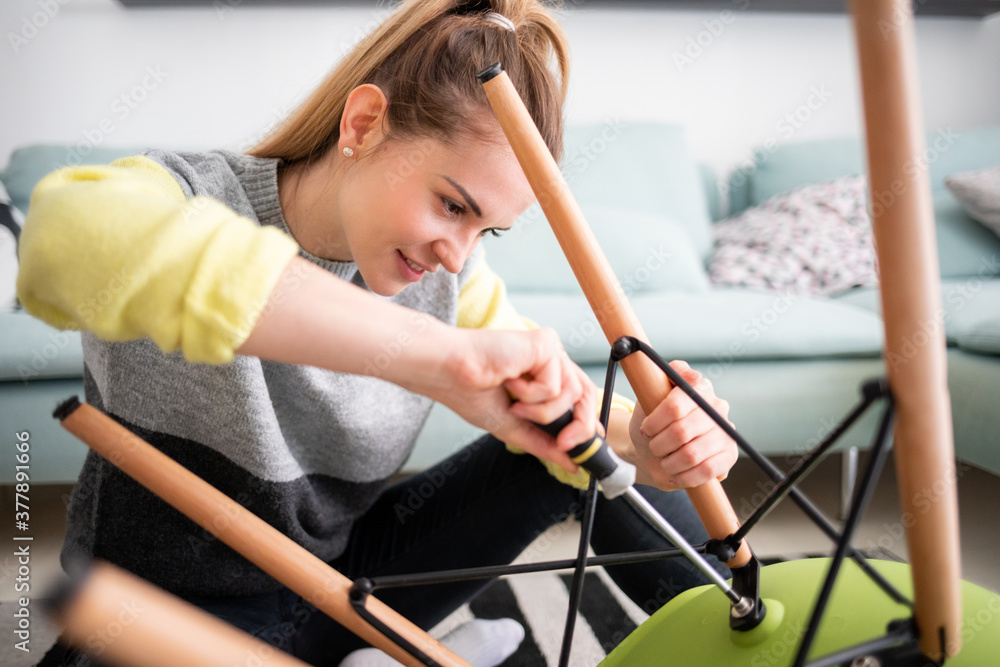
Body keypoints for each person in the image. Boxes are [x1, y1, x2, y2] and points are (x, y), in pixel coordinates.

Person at [19, 1, 738, 665]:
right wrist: (436, 356)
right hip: (165, 613)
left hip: (343, 581)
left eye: (485, 227)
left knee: (576, 459)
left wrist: (645, 437)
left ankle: (756, 632)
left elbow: (562, 418)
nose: (457, 253)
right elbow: (61, 238)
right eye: (452, 204)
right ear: (362, 124)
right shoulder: (188, 196)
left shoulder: (452, 279)